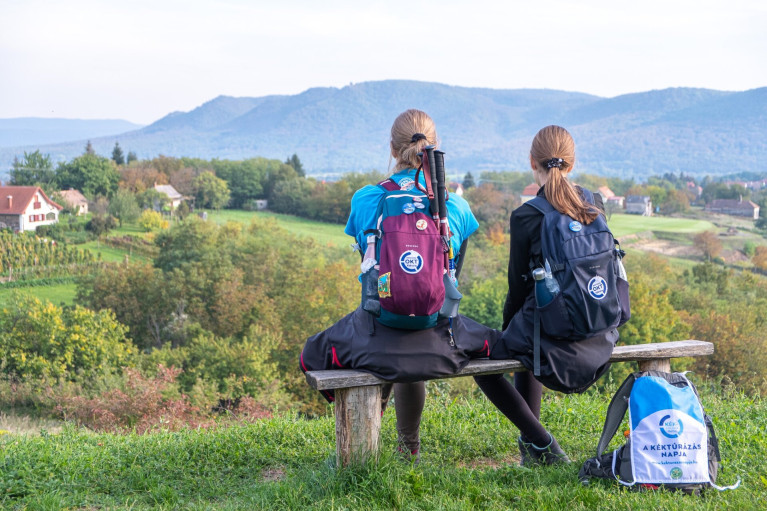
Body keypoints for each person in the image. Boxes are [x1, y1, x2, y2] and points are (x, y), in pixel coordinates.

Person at [301, 109, 497, 462]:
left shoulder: (366, 199)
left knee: (313, 353)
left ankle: (367, 430)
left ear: (392, 150)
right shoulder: (456, 206)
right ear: (435, 150)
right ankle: (409, 449)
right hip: (436, 331)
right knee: (415, 329)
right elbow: (453, 275)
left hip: (378, 327)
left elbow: (368, 270)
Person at [474, 125, 607, 466]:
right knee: (527, 336)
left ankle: (541, 443)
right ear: (572, 164)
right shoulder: (594, 202)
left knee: (483, 364)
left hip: (550, 330)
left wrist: (507, 327)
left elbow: (518, 288)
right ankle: (531, 449)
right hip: (599, 331)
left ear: (531, 162)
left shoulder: (526, 215)